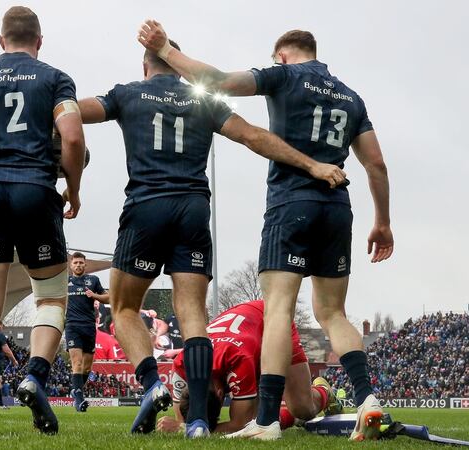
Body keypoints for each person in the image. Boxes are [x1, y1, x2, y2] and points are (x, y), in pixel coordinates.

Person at [77, 38, 345, 438]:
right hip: (193, 210)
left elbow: (72, 114)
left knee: (125, 308)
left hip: (146, 205)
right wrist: (312, 164)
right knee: (192, 313)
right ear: (173, 62)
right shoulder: (201, 101)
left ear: (145, 65)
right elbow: (253, 136)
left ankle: (152, 384)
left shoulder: (128, 93)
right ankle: (200, 420)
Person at [138, 22, 394, 441]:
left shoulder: (284, 76)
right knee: (332, 313)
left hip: (292, 203)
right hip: (338, 206)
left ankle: (267, 422)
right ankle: (368, 399)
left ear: (281, 56)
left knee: (278, 307)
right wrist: (382, 222)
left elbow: (217, 81)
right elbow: (376, 165)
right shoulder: (352, 97)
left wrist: (165, 49)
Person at [0, 6, 86, 435]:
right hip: (36, 190)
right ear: (39, 41)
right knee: (50, 298)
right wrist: (74, 188)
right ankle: (34, 377)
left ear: (0, 39)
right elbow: (74, 138)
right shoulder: (55, 78)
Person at [156, 300, 336, 435]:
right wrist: (187, 425)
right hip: (245, 334)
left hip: (270, 320)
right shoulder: (182, 362)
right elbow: (183, 417)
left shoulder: (236, 359)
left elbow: (241, 424)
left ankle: (323, 391)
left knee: (303, 408)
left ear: (221, 393)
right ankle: (291, 417)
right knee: (260, 419)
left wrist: (183, 430)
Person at [65, 252, 109, 412]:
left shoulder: (93, 281)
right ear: (71, 265)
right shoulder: (65, 282)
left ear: (85, 265)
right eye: (75, 263)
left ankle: (76, 391)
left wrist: (94, 295)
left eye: (81, 263)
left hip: (89, 326)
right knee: (76, 363)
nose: (78, 265)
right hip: (72, 326)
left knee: (87, 368)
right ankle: (78, 399)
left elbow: (109, 298)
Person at [0, 323, 18, 410]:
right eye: (2, 326)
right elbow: (6, 350)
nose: (2, 328)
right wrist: (14, 360)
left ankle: (1, 405)